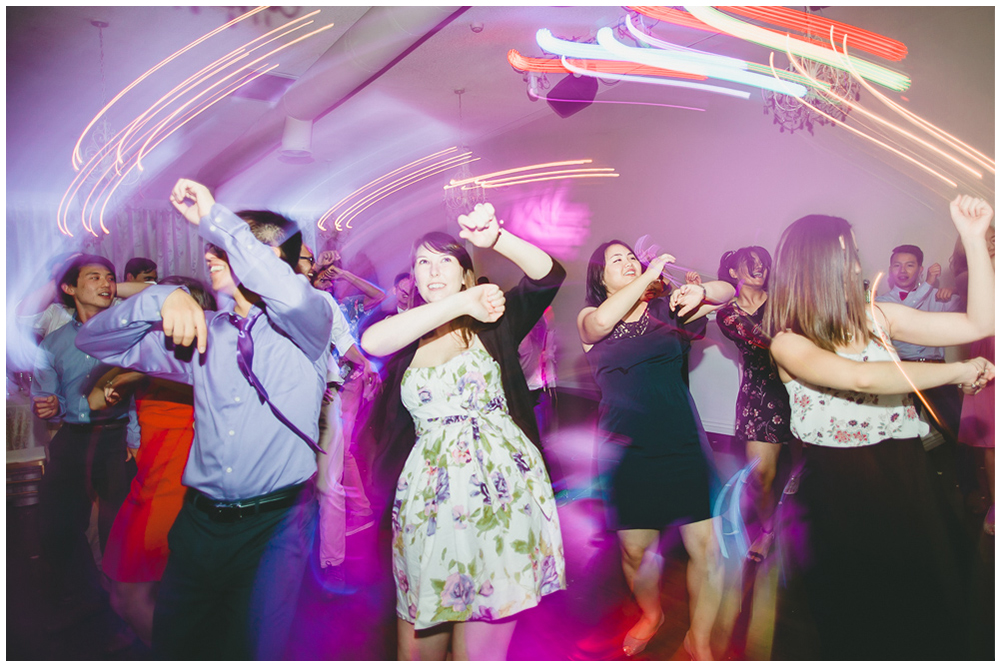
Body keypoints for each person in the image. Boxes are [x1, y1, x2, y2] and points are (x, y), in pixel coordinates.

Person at [76, 179, 356, 660]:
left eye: (222, 248)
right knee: (179, 646)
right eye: (211, 247)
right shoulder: (206, 332)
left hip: (275, 526)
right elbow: (94, 342)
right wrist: (160, 297)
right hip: (198, 526)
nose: (209, 254)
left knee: (254, 649)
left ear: (270, 258)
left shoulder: (309, 323)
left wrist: (216, 219)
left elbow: (287, 296)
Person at [766, 195, 994, 659]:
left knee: (925, 598)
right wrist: (956, 371)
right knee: (860, 611)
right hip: (839, 487)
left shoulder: (878, 317)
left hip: (905, 472)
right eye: (848, 253)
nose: (858, 263)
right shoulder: (788, 342)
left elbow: (981, 322)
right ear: (818, 264)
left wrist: (973, 239)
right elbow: (861, 377)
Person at [362, 203, 566, 660]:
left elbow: (549, 276)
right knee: (418, 644)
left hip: (501, 497)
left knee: (481, 650)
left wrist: (497, 239)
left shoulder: (493, 324)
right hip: (428, 504)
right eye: (423, 262)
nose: (433, 270)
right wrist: (457, 301)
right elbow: (372, 341)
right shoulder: (404, 335)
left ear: (465, 272)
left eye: (445, 260)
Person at [577, 241, 734, 659]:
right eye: (617, 260)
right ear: (600, 277)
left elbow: (727, 293)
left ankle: (698, 639)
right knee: (635, 552)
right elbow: (600, 323)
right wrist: (649, 274)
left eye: (633, 257)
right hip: (625, 449)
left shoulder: (668, 310)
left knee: (707, 550)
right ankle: (652, 615)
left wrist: (701, 292)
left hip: (681, 440)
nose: (629, 262)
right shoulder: (591, 318)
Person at [86, 276, 215, 646]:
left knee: (131, 596)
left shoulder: (201, 354)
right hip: (147, 480)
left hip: (175, 484)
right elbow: (94, 400)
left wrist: (133, 373)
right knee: (125, 592)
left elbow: (177, 375)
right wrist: (137, 291)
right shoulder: (148, 352)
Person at [32, 255, 136, 605]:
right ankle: (79, 597)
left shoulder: (127, 334)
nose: (106, 283)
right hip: (73, 438)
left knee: (118, 526)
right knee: (56, 522)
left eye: (110, 277)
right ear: (69, 288)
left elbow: (142, 391)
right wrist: (51, 405)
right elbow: (49, 398)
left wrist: (134, 439)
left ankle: (121, 602)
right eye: (94, 277)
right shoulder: (53, 344)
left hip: (116, 438)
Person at [715, 246, 797, 562]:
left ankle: (798, 474)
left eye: (763, 263)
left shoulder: (784, 300)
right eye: (750, 263)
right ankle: (768, 530)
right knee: (760, 475)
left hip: (799, 384)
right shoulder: (727, 315)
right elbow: (764, 340)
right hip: (761, 393)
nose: (758, 267)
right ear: (733, 272)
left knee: (805, 453)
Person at [875, 244, 963, 444]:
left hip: (936, 369)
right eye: (897, 265)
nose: (902, 271)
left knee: (956, 430)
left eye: (909, 265)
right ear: (890, 270)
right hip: (902, 372)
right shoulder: (881, 301)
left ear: (920, 269)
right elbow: (905, 316)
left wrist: (957, 289)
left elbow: (973, 307)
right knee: (903, 435)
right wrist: (929, 283)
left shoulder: (938, 296)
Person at [950, 223, 996, 533]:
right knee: (991, 442)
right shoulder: (969, 277)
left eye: (995, 238)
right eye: (986, 238)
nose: (992, 244)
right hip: (990, 356)